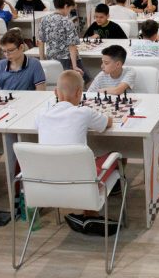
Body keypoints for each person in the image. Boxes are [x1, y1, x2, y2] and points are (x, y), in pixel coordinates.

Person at [36, 70, 119, 236]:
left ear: (55, 92)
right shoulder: (84, 112)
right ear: (79, 93)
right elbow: (107, 123)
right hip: (82, 183)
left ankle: (89, 216)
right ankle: (91, 215)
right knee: (116, 156)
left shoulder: (42, 115)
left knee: (81, 163)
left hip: (47, 184)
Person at [38, 0, 85, 78]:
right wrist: (74, 66)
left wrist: (42, 59)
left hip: (50, 58)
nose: (69, 12)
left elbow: (41, 41)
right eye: (70, 9)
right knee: (84, 79)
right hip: (67, 60)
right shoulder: (67, 22)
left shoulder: (44, 19)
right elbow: (72, 45)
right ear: (66, 6)